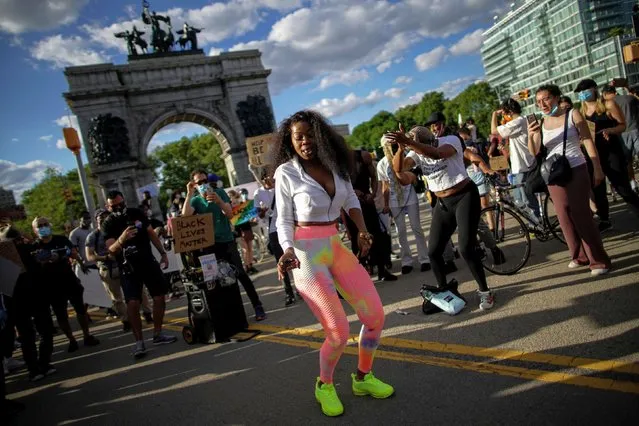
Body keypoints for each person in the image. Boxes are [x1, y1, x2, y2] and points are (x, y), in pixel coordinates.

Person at [273, 110, 394, 417]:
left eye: (310, 134)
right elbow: (283, 218)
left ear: (321, 136)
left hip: (334, 245)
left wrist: (363, 230)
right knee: (338, 332)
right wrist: (286, 250)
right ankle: (324, 384)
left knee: (375, 316)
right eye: (298, 136)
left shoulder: (336, 165)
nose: (305, 141)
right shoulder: (286, 172)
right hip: (305, 253)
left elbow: (351, 200)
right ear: (290, 140)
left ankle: (363, 378)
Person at [386, 117, 495, 311]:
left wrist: (411, 143)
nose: (417, 150)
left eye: (418, 145)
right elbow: (399, 169)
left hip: (464, 196)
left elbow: (437, 155)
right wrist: (402, 148)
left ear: (429, 140)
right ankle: (444, 291)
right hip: (442, 202)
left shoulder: (450, 141)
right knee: (434, 251)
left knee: (465, 247)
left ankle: (485, 292)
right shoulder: (416, 153)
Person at [529, 84, 611, 275]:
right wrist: (532, 135)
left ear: (557, 97)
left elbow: (588, 141)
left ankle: (599, 261)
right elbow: (534, 153)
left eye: (546, 99)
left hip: (576, 167)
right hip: (553, 173)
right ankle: (578, 256)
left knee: (581, 214)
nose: (542, 104)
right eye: (538, 101)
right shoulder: (541, 122)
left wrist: (597, 168)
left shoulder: (572, 114)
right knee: (563, 216)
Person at [102, 191, 177, 359]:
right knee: (133, 303)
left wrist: (162, 253)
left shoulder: (136, 213)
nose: (118, 208)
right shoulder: (108, 223)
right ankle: (139, 342)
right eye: (114, 206)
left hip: (147, 262)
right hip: (128, 267)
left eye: (120, 204)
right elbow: (111, 250)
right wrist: (122, 239)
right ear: (108, 207)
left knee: (159, 297)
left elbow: (151, 233)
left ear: (124, 201)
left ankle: (158, 334)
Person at [182, 171, 266, 321]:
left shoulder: (219, 192)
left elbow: (230, 214)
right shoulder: (195, 201)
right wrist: (189, 194)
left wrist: (218, 201)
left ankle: (257, 305)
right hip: (209, 246)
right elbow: (185, 217)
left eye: (205, 181)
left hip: (226, 241)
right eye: (199, 183)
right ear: (194, 185)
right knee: (218, 279)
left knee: (239, 273)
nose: (203, 184)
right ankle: (231, 313)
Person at [576, 78, 639, 231]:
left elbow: (622, 125)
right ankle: (605, 219)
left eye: (585, 91)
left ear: (593, 89)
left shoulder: (607, 105)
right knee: (598, 189)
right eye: (580, 92)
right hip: (594, 155)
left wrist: (610, 130)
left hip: (612, 152)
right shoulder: (581, 112)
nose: (583, 94)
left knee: (622, 187)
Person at [31, 217, 100, 352]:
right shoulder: (34, 247)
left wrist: (79, 263)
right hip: (51, 286)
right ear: (34, 230)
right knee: (61, 314)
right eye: (39, 225)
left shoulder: (61, 240)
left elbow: (73, 253)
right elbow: (34, 264)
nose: (43, 227)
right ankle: (71, 340)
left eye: (45, 224)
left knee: (80, 309)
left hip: (69, 280)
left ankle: (87, 335)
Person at [1, 227, 55, 382]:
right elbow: (47, 260)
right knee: (44, 331)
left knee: (27, 335)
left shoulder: (3, 258)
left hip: (17, 301)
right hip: (36, 297)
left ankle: (34, 369)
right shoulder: (30, 249)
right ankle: (44, 364)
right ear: (19, 239)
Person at [86, 209, 154, 332]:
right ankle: (126, 320)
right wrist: (105, 257)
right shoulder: (93, 236)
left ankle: (147, 313)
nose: (103, 219)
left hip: (125, 265)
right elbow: (89, 256)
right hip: (108, 269)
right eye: (100, 218)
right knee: (116, 298)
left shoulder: (117, 229)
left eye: (106, 216)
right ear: (96, 220)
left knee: (140, 290)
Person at [377, 135, 430, 275]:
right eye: (388, 146)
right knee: (401, 231)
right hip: (394, 200)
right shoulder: (381, 164)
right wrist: (386, 204)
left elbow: (413, 176)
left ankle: (424, 259)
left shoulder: (404, 158)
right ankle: (407, 262)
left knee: (416, 227)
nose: (391, 148)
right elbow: (385, 186)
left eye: (393, 145)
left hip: (409, 196)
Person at [344, 148, 396, 282]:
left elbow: (374, 176)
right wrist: (352, 191)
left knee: (375, 235)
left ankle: (382, 270)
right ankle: (362, 273)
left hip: (366, 201)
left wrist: (372, 194)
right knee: (356, 240)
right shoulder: (336, 162)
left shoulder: (362, 156)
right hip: (349, 205)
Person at [492, 98, 539, 221]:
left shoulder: (517, 122)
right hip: (523, 164)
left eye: (504, 113)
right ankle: (535, 222)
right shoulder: (522, 121)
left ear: (510, 111)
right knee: (522, 198)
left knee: (524, 199)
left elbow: (493, 131)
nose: (503, 116)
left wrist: (493, 115)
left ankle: (536, 222)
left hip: (522, 166)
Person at [255, 174, 297, 306]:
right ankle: (288, 292)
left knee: (296, 258)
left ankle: (301, 289)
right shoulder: (258, 193)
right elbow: (258, 214)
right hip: (273, 230)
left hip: (289, 227)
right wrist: (263, 211)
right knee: (281, 262)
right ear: (261, 180)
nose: (268, 180)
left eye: (270, 177)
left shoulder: (281, 186)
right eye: (265, 178)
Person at [602, 83, 639, 193]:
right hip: (636, 129)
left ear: (605, 94)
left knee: (627, 162)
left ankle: (632, 184)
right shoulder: (629, 98)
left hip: (621, 134)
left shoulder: (607, 105)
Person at [228, 189, 258, 275]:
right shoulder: (229, 208)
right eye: (230, 197)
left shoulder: (242, 205)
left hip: (247, 228)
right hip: (238, 231)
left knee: (250, 248)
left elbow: (249, 213)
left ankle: (251, 265)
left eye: (232, 196)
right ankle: (247, 267)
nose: (232, 199)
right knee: (245, 249)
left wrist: (253, 217)